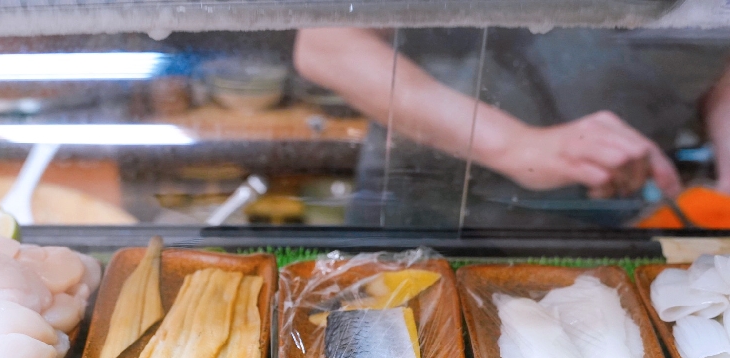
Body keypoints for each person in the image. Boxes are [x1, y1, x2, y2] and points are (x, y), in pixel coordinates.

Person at [293, 28, 730, 226]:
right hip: (430, 203)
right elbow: (328, 44)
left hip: (620, 210)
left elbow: (719, 56)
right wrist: (515, 145)